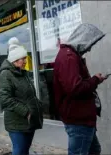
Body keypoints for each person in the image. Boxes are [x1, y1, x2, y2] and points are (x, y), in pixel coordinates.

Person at [53, 23, 108, 155]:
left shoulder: (69, 55)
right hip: (78, 119)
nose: (89, 49)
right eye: (89, 44)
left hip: (81, 118)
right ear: (83, 39)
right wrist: (95, 79)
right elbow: (75, 88)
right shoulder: (69, 57)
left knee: (94, 150)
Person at [0, 37, 43, 155]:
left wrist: (38, 105)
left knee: (24, 151)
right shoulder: (6, 74)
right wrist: (26, 112)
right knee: (19, 151)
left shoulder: (22, 73)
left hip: (28, 121)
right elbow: (5, 99)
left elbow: (29, 94)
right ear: (15, 59)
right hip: (16, 123)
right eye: (23, 59)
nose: (25, 61)